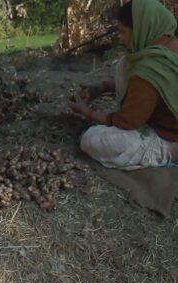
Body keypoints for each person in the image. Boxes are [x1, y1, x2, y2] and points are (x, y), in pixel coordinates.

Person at [67, 0, 178, 170]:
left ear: (141, 28)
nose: (121, 38)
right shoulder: (170, 44)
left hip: (169, 139)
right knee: (124, 64)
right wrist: (103, 87)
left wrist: (87, 112)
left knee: (90, 139)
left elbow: (127, 122)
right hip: (167, 122)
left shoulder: (149, 69)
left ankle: (163, 155)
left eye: (123, 32)